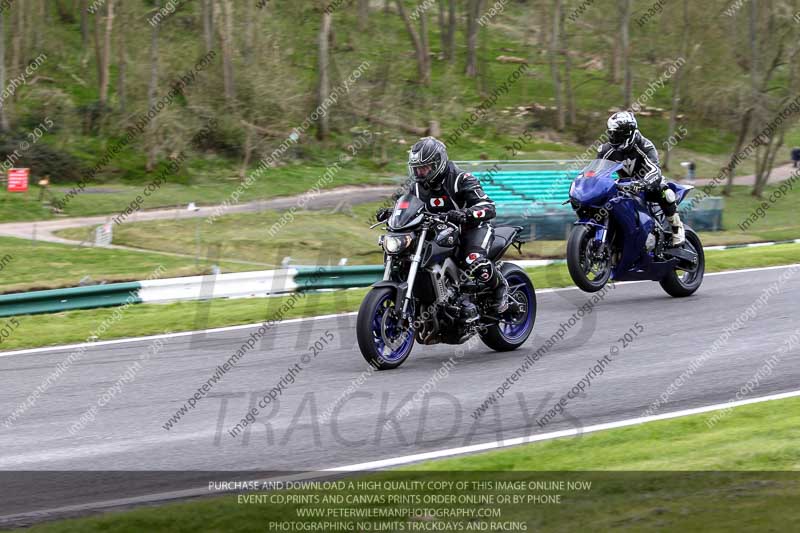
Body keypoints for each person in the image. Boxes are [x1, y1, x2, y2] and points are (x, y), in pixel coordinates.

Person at [375, 137, 508, 312]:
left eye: (424, 168)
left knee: (473, 260)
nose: (420, 173)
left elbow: (489, 207)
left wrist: (465, 213)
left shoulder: (461, 178)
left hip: (471, 228)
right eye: (416, 169)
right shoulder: (415, 186)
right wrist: (392, 213)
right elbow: (406, 205)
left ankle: (500, 288)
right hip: (436, 230)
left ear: (438, 163)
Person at [597, 111, 685, 246]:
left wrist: (643, 183)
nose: (614, 138)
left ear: (629, 133)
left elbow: (655, 170)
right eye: (612, 133)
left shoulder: (645, 146)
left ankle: (676, 228)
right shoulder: (606, 150)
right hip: (623, 187)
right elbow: (597, 171)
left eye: (618, 134)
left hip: (647, 184)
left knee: (665, 192)